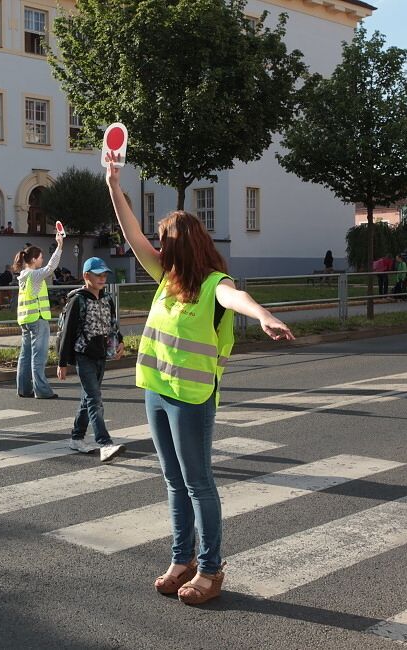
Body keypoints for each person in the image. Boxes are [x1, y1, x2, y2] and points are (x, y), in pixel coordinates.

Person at [106, 151, 294, 606]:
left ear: (180, 246)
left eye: (163, 242)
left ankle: (210, 569)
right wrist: (113, 184)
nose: (156, 247)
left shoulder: (213, 283)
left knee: (197, 483)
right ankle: (181, 560)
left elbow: (236, 297)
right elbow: (132, 235)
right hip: (156, 391)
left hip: (191, 397)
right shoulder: (165, 277)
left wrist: (263, 315)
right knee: (173, 480)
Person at [56, 256, 126, 463]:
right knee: (95, 399)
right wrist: (62, 363)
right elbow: (68, 333)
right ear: (86, 276)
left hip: (100, 354)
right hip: (83, 355)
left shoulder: (107, 298)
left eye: (104, 275)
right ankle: (105, 443)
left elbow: (113, 323)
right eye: (98, 275)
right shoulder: (78, 300)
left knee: (88, 398)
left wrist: (120, 341)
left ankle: (76, 438)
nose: (102, 278)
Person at [14, 233, 64, 399]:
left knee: (25, 355)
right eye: (41, 257)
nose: (42, 260)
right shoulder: (34, 275)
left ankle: (23, 389)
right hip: (38, 319)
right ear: (34, 259)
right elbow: (51, 267)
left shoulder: (23, 275)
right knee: (39, 357)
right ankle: (42, 390)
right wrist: (59, 246)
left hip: (25, 319)